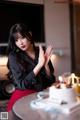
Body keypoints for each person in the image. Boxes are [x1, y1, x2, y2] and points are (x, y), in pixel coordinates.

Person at [7, 23, 56, 111]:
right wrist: (39, 65)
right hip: (22, 97)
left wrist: (45, 65)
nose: (20, 43)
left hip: (40, 96)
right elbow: (22, 85)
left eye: (22, 38)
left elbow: (50, 81)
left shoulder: (40, 52)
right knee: (5, 117)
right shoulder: (14, 56)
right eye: (16, 40)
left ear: (30, 34)